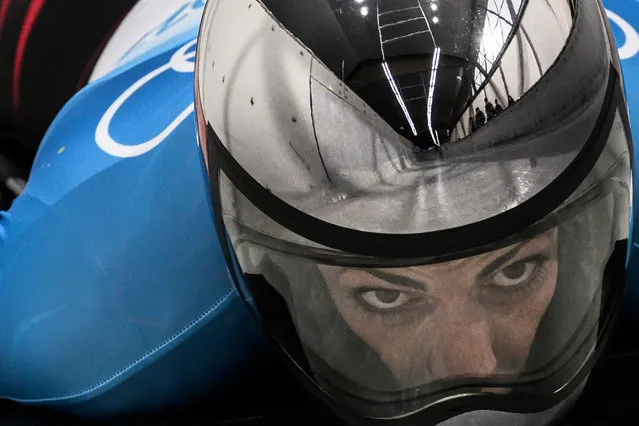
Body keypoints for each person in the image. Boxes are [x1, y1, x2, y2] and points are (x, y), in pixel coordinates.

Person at [194, 0, 632, 425]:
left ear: (589, 238)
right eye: (387, 296)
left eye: (515, 271)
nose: (474, 363)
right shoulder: (160, 345)